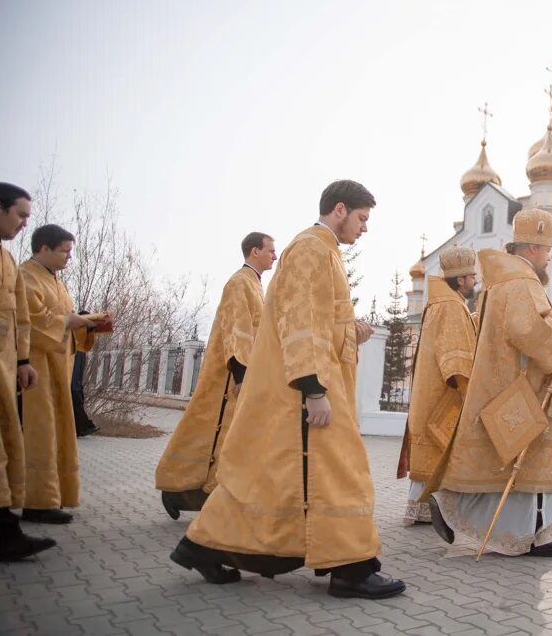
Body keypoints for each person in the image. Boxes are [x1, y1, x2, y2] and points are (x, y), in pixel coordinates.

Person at [170, 180, 406, 600]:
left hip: (303, 385)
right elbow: (300, 321)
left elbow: (320, 321)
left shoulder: (323, 252)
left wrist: (351, 332)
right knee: (339, 475)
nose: (365, 229)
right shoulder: (312, 250)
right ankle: (350, 569)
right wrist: (313, 389)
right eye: (362, 218)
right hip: (307, 388)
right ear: (339, 209)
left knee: (268, 478)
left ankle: (203, 547)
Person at [424, 208, 552, 558]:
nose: (550, 256)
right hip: (528, 388)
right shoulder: (522, 282)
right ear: (534, 248)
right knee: (530, 463)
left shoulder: (501, 280)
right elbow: (529, 332)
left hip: (506, 384)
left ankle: (538, 530)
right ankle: (536, 535)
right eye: (548, 249)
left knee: (502, 464)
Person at [156, 232, 276, 519]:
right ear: (254, 251)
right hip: (228, 379)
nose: (274, 255)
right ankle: (183, 492)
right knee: (217, 436)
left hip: (243, 374)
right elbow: (237, 330)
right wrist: (241, 376)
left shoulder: (255, 284)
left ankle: (206, 494)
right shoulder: (239, 283)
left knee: (229, 439)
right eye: (270, 250)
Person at [20, 224, 108, 524]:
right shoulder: (26, 277)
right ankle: (35, 502)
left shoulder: (55, 281)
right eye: (64, 251)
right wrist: (68, 321)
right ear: (43, 248)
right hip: (35, 369)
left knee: (56, 432)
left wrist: (87, 323)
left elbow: (62, 321)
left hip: (58, 369)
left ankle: (52, 497)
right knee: (39, 434)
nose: (69, 258)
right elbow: (31, 321)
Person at [396, 245, 477, 525]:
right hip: (444, 395)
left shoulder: (439, 304)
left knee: (432, 454)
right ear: (461, 279)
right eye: (471, 276)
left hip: (428, 394)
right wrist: (469, 393)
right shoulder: (452, 307)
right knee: (440, 451)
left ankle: (422, 510)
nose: (475, 280)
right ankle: (435, 511)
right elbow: (456, 357)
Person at [0, 183, 55, 561]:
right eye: (20, 215)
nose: (23, 224)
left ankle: (6, 529)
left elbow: (20, 317)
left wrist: (21, 361)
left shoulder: (7, 261)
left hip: (3, 367)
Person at [71, 326, 97, 437]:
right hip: (72, 385)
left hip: (76, 384)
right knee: (77, 406)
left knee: (77, 406)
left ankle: (80, 428)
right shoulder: (73, 343)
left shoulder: (82, 346)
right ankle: (84, 427)